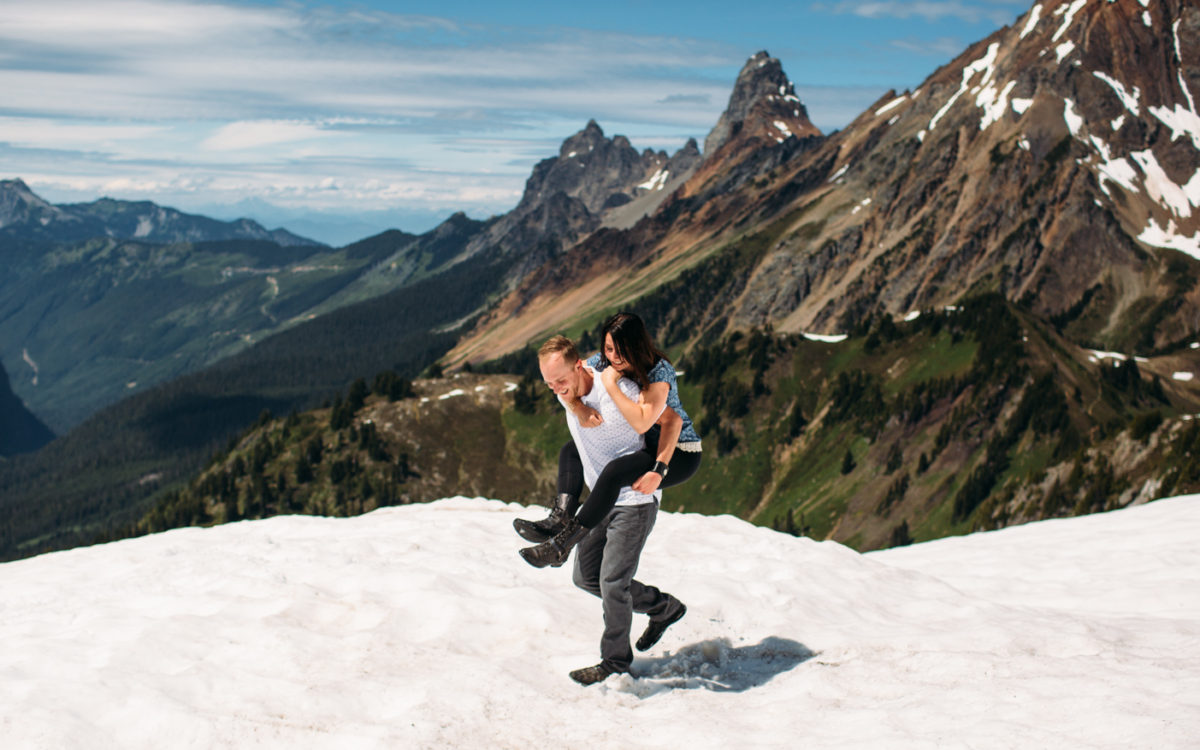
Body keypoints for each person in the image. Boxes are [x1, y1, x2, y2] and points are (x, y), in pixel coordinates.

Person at [520, 334, 687, 685]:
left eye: (561, 381)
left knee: (612, 583)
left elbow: (667, 419)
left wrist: (659, 468)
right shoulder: (568, 391)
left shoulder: (618, 387)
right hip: (601, 500)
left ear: (580, 366)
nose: (556, 390)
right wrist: (576, 404)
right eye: (549, 384)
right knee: (586, 577)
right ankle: (663, 607)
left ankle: (615, 662)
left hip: (634, 501)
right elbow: (572, 405)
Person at [513, 311, 702, 545]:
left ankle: (564, 543)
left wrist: (659, 469)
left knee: (613, 474)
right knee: (571, 451)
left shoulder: (658, 372)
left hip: (677, 450)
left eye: (621, 350)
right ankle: (561, 518)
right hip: (644, 440)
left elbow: (658, 422)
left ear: (637, 346)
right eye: (609, 348)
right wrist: (578, 407)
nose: (614, 357)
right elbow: (569, 382)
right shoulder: (602, 360)